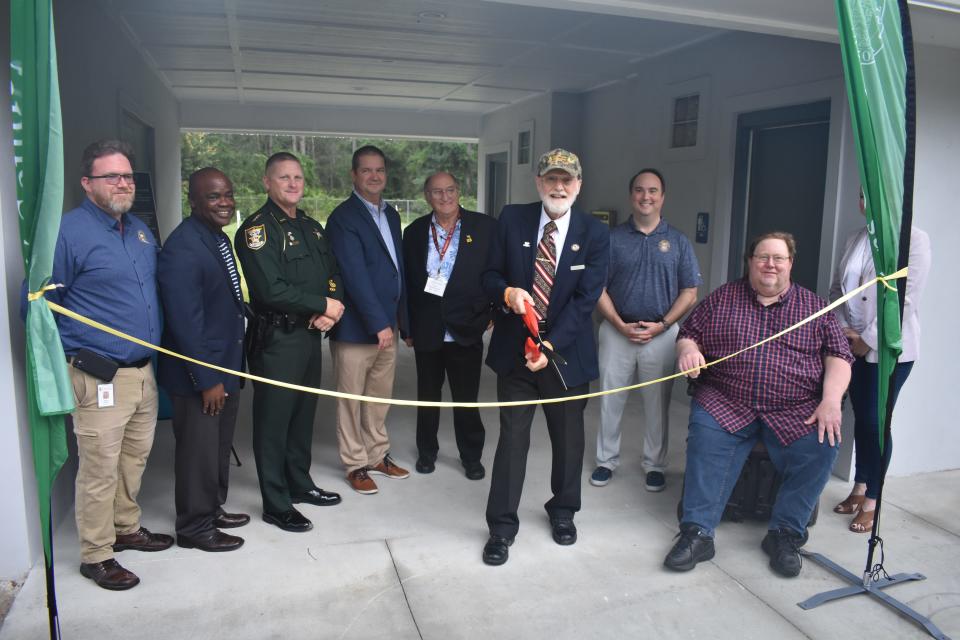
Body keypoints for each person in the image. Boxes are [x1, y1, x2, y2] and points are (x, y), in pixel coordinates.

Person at [663, 231, 853, 578]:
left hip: (794, 407)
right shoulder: (722, 299)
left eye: (778, 258)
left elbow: (839, 356)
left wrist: (830, 400)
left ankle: (785, 534)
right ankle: (698, 533)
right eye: (762, 257)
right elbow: (688, 333)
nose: (770, 264)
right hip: (726, 400)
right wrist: (688, 349)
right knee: (705, 440)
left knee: (824, 445)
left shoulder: (814, 308)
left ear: (790, 264)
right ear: (750, 261)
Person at [42, 140, 172, 590]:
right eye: (112, 176)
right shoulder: (67, 234)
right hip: (99, 376)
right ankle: (96, 555)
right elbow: (40, 308)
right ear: (86, 183)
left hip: (142, 373)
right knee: (99, 469)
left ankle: (126, 528)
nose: (123, 183)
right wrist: (77, 354)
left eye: (127, 176)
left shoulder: (138, 229)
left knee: (134, 459)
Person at [481, 149, 610, 566]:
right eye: (551, 179)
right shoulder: (512, 219)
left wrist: (548, 348)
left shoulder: (593, 232)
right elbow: (489, 274)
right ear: (538, 182)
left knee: (569, 441)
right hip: (514, 356)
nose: (559, 187)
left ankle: (563, 512)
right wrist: (506, 292)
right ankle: (501, 528)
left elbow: (587, 299)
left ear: (579, 185)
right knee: (512, 441)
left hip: (565, 357)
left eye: (567, 180)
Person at [234, 152, 344, 533]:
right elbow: (270, 288)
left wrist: (331, 308)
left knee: (302, 416)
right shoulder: (257, 230)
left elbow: (332, 272)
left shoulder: (314, 227)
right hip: (278, 338)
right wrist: (321, 303)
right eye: (284, 178)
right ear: (267, 182)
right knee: (273, 422)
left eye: (298, 177)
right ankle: (276, 502)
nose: (293, 183)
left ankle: (300, 483)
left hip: (311, 334)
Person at [591, 168, 701, 492]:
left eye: (653, 191)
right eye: (639, 190)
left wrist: (664, 325)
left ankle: (655, 465)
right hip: (616, 330)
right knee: (610, 399)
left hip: (662, 333)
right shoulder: (611, 240)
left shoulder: (678, 242)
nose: (646, 196)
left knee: (657, 404)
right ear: (631, 195)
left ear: (662, 197)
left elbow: (690, 291)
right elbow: (598, 288)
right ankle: (605, 460)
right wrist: (619, 324)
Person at [157, 168, 249, 552]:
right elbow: (186, 323)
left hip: (225, 365)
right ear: (193, 201)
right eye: (213, 197)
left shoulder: (215, 237)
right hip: (201, 375)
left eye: (227, 194)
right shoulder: (183, 247)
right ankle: (194, 527)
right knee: (197, 452)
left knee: (218, 445)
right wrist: (207, 378)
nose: (224, 202)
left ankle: (212, 509)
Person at [829, 189, 931, 533]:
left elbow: (905, 301)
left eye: (872, 192)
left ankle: (874, 497)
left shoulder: (913, 241)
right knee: (861, 418)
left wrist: (867, 341)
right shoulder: (855, 237)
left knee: (877, 422)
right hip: (850, 342)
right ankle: (859, 485)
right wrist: (844, 330)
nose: (865, 200)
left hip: (889, 350)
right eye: (861, 195)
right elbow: (836, 290)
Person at [327, 145, 410, 495]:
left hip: (385, 326)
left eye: (379, 170)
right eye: (366, 170)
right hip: (358, 328)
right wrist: (379, 323)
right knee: (351, 399)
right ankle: (355, 463)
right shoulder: (343, 218)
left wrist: (399, 322)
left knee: (379, 397)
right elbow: (355, 275)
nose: (374, 176)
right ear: (354, 175)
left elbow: (396, 270)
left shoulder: (390, 215)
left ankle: (377, 455)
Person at [402, 172, 496, 479]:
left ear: (460, 191)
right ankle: (427, 452)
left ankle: (471, 456)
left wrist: (493, 311)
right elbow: (406, 283)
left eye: (450, 190)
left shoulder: (484, 227)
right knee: (427, 395)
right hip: (427, 328)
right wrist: (407, 326)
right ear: (427, 196)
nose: (445, 197)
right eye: (437, 192)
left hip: (466, 326)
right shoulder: (415, 231)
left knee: (466, 398)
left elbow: (497, 272)